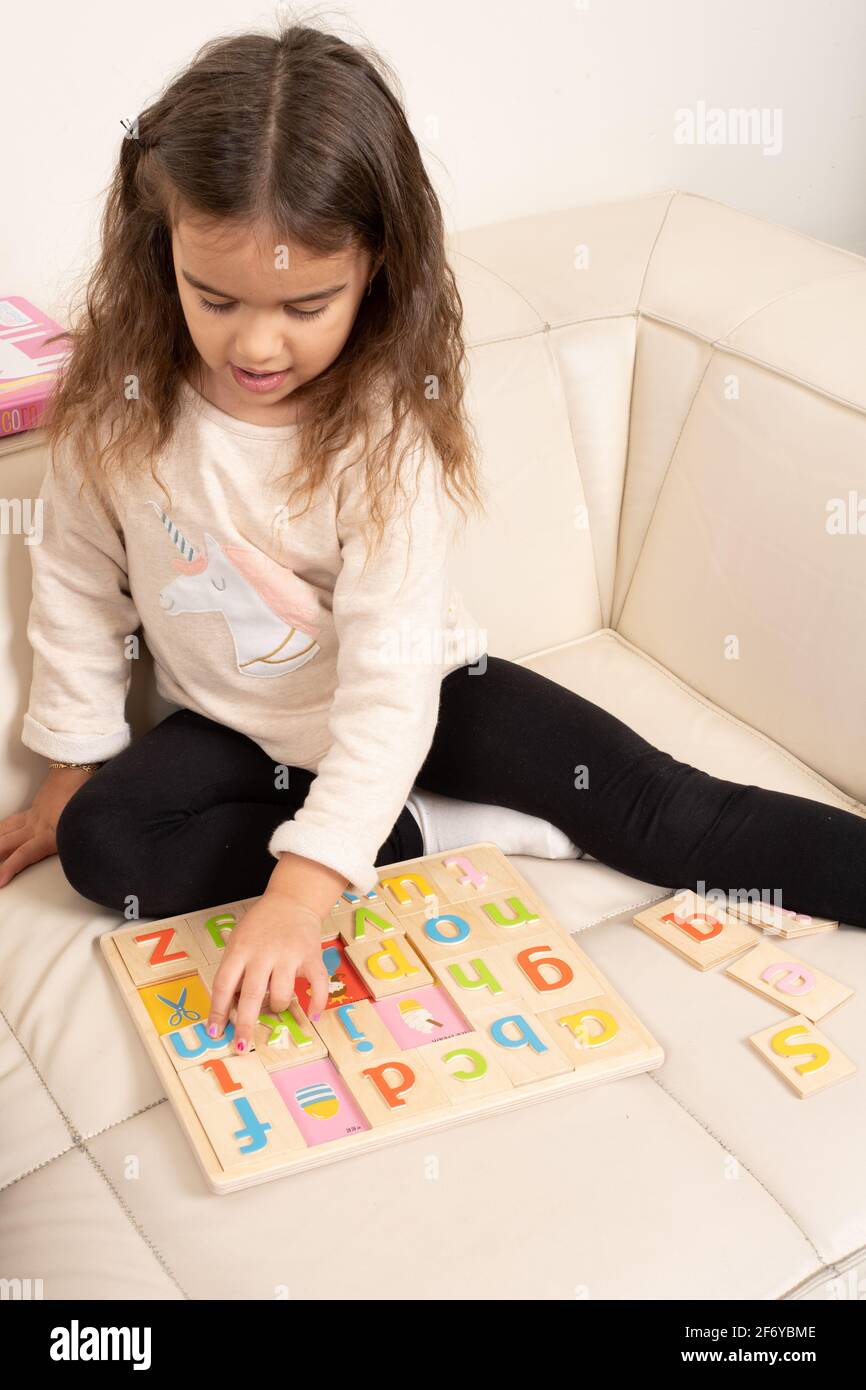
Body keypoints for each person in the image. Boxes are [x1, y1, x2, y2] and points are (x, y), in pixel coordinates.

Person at [5, 24, 864, 1060]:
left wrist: (306, 887)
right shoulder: (123, 405)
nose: (255, 344)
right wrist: (73, 753)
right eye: (214, 298)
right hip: (239, 729)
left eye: (306, 304)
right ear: (163, 251)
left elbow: (385, 681)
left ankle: (391, 823)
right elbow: (77, 577)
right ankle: (407, 834)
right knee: (104, 842)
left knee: (661, 813)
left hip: (421, 692)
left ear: (375, 268)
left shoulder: (382, 434)